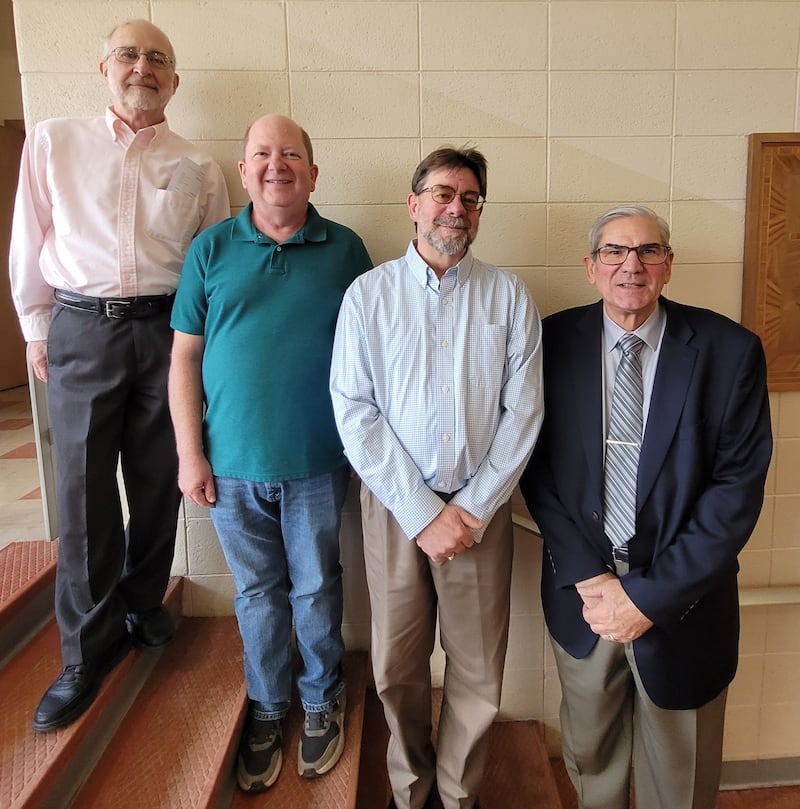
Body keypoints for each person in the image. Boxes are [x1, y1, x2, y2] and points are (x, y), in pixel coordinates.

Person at [8, 19, 230, 733]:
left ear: (174, 78)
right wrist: (37, 328)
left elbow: (211, 270)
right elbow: (28, 239)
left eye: (158, 58)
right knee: (79, 492)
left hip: (167, 332)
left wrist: (207, 352)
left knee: (159, 476)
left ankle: (143, 600)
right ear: (104, 66)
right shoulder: (52, 141)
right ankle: (84, 649)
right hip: (79, 327)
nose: (143, 67)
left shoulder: (200, 165)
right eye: (129, 55)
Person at [519, 205, 773, 809]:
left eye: (647, 251)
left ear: (667, 265)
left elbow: (737, 491)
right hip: (585, 598)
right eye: (614, 252)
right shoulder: (549, 342)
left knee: (678, 777)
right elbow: (535, 467)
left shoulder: (728, 351)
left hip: (686, 603)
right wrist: (592, 576)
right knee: (591, 756)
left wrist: (649, 597)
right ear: (590, 266)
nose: (630, 265)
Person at [330, 147, 544, 809]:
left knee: (478, 668)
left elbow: (524, 410)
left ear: (479, 212)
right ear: (414, 203)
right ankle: (410, 786)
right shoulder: (369, 295)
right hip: (395, 508)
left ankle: (457, 792)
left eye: (471, 197)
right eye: (444, 193)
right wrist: (424, 510)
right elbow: (353, 408)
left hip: (481, 510)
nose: (457, 207)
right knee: (396, 664)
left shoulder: (508, 295)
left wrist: (472, 507)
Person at [168, 114, 372, 792]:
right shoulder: (210, 249)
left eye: (290, 154)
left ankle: (320, 698)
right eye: (261, 153)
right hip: (229, 467)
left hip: (318, 460)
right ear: (243, 166)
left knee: (316, 587)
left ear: (314, 173)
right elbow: (185, 358)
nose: (275, 164)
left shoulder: (345, 250)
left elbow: (373, 355)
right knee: (257, 593)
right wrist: (189, 454)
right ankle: (268, 704)